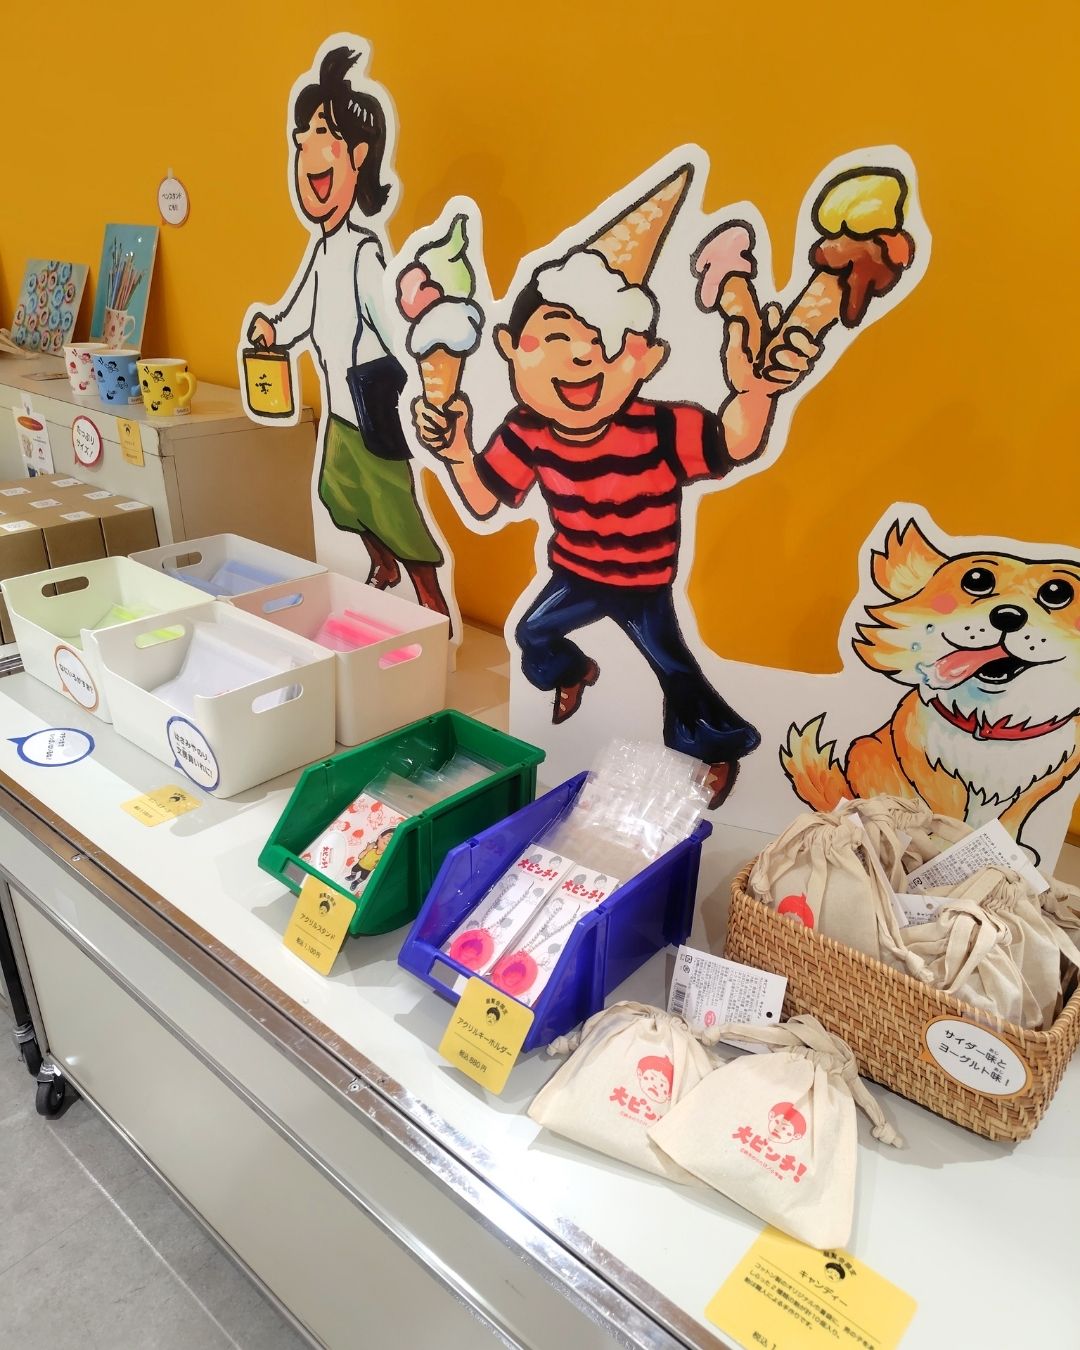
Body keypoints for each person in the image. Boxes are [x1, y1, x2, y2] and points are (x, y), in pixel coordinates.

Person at [411, 169, 822, 807]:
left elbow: (736, 443)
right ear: (511, 348)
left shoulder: (660, 427)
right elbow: (486, 497)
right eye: (556, 336)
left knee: (674, 668)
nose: (581, 358)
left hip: (643, 579)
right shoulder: (527, 430)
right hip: (576, 570)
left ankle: (713, 749)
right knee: (531, 634)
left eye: (605, 345)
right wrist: (460, 451)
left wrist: (756, 391)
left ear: (646, 359)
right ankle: (575, 671)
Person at [248, 45, 449, 616]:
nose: (305, 148)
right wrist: (275, 329)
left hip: (372, 408)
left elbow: (390, 326)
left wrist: (422, 379)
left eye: (322, 133)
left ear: (358, 155)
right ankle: (383, 565)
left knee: (395, 510)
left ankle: (432, 602)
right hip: (340, 411)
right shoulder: (324, 250)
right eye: (301, 139)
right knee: (337, 496)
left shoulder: (363, 252)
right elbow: (302, 311)